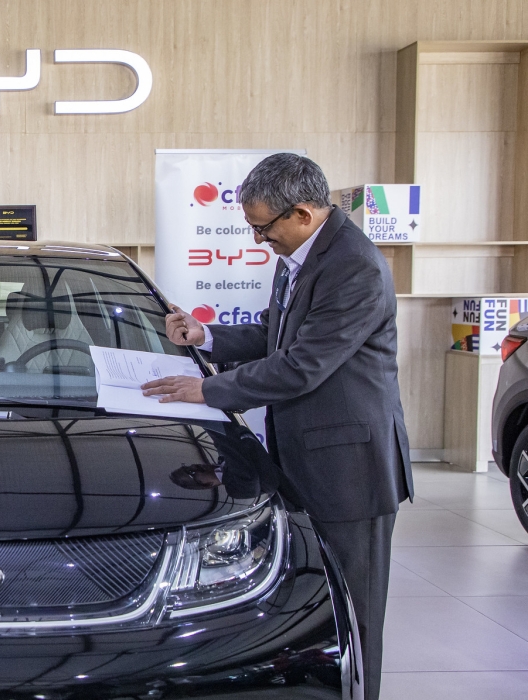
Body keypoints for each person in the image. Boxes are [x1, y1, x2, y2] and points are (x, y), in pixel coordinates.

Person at [141, 153, 413, 700]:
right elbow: (276, 334)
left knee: (352, 615)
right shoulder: (307, 253)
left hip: (348, 466)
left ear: (305, 212)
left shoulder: (354, 266)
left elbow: (303, 364)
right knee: (307, 598)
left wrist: (208, 388)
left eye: (264, 227)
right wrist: (205, 337)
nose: (259, 238)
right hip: (301, 452)